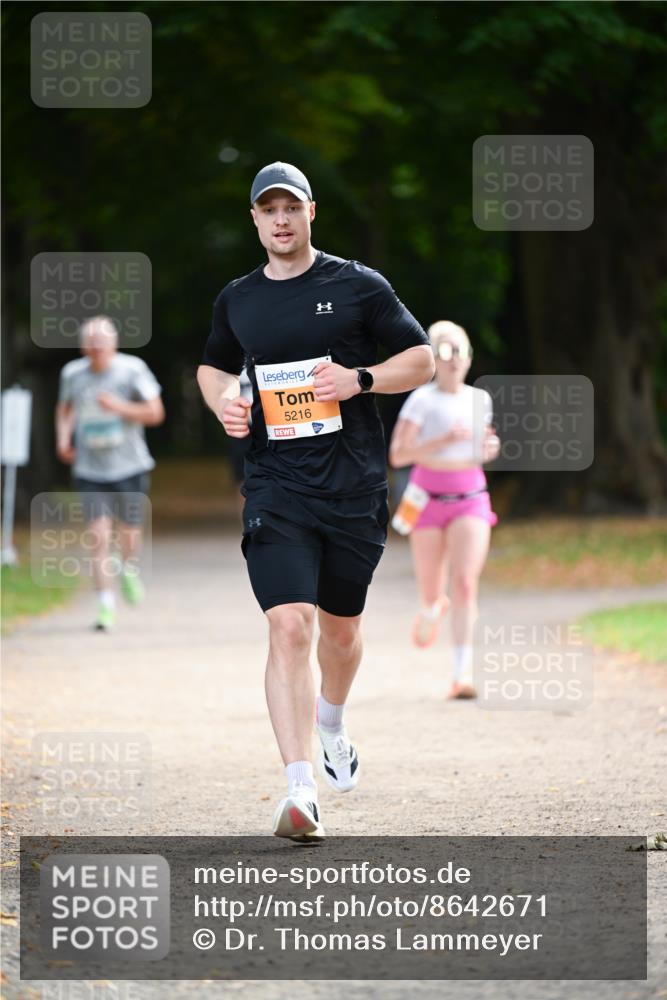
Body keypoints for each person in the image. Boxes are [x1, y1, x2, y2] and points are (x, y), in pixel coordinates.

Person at [198, 161, 434, 842]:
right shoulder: (237, 298)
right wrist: (226, 404)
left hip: (352, 486)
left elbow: (417, 359)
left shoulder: (357, 285)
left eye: (290, 207)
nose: (279, 219)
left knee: (339, 632)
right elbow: (213, 365)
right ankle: (300, 791)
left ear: (309, 213)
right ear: (253, 219)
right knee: (289, 625)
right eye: (267, 209)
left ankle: (331, 721)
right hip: (275, 484)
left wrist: (358, 378)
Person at [389, 321, 500, 699]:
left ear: (470, 357)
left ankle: (462, 672)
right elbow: (398, 454)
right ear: (434, 358)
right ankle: (432, 610)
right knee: (432, 594)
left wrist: (489, 449)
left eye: (461, 351)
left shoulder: (479, 399)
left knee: (466, 583)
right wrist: (440, 441)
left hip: (470, 498)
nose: (455, 360)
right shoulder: (422, 399)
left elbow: (482, 448)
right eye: (446, 352)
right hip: (426, 502)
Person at [55, 316, 164, 631]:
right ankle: (105, 607)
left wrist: (119, 407)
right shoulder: (73, 374)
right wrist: (63, 438)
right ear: (82, 347)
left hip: (129, 465)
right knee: (98, 537)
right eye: (91, 344)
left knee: (130, 534)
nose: (96, 349)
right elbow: (64, 408)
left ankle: (128, 568)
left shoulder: (132, 369)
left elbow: (156, 413)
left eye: (102, 343)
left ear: (113, 344)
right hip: (90, 468)